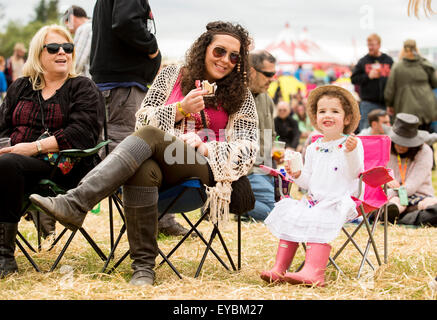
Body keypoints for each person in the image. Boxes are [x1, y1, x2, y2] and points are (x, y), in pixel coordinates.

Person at [30, 21, 258, 286]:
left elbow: (249, 148)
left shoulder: (241, 95)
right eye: (219, 51)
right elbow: (142, 121)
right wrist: (180, 109)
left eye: (234, 56)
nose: (226, 60)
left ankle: (76, 202)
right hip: (161, 169)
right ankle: (143, 269)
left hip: (203, 170)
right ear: (204, 48)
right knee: (143, 167)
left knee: (150, 136)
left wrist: (206, 145)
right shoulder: (172, 74)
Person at [0, 25, 105, 278]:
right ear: (38, 54)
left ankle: (4, 255)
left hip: (63, 166)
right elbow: (3, 128)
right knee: (7, 164)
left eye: (67, 48)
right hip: (12, 163)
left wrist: (33, 147)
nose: (62, 52)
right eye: (54, 48)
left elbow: (83, 133)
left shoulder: (82, 87)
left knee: (7, 166)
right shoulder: (21, 87)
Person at [260, 84, 363, 287]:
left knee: (318, 216)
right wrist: (297, 175)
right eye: (322, 111)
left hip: (340, 201)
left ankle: (314, 271)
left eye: (335, 111)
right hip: (314, 200)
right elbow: (309, 181)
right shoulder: (314, 146)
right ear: (315, 118)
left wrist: (350, 153)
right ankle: (280, 268)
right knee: (291, 214)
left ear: (347, 118)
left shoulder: (352, 143)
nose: (327, 115)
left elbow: (355, 174)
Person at [90, 0, 161, 155]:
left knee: (108, 145)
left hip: (117, 86)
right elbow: (126, 21)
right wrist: (152, 47)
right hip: (122, 88)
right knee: (119, 150)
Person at [384, 113, 437, 225]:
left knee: (430, 205)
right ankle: (395, 214)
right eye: (398, 141)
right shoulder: (386, 148)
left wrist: (388, 193)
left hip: (420, 197)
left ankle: (398, 217)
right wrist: (386, 180)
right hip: (394, 199)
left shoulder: (425, 151)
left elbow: (412, 186)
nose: (400, 146)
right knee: (394, 204)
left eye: (405, 143)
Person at [245, 50, 277, 221]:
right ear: (251, 71)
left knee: (288, 205)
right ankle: (225, 203)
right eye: (268, 74)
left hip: (266, 170)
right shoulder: (235, 99)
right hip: (246, 172)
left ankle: (235, 206)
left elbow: (272, 136)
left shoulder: (267, 99)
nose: (272, 78)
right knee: (278, 213)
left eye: (274, 74)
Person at [384, 39, 437, 132]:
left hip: (405, 107)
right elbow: (434, 82)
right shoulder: (425, 64)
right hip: (426, 107)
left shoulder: (397, 67)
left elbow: (390, 89)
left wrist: (389, 104)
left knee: (408, 137)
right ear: (416, 48)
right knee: (426, 135)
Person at [351, 33, 393, 131]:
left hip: (384, 103)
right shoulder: (363, 61)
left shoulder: (388, 60)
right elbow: (353, 79)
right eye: (369, 45)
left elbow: (394, 81)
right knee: (365, 130)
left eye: (373, 45)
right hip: (368, 103)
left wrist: (392, 103)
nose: (370, 48)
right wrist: (367, 76)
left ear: (379, 45)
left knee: (385, 131)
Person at [62, 5, 92, 78]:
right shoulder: (94, 26)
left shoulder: (84, 29)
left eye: (67, 24)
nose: (68, 29)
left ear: (71, 18)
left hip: (87, 82)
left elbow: (77, 61)